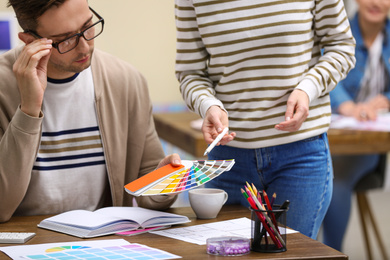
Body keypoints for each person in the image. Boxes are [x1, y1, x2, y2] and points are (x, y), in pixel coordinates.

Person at [174, 0, 356, 239]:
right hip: (228, 160)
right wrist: (208, 104)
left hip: (300, 158)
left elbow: (342, 47)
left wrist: (308, 89)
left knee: (292, 255)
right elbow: (190, 73)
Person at [0, 0, 181, 223]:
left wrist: (165, 181)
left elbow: (149, 189)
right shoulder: (3, 88)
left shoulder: (126, 80)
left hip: (106, 243)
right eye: (65, 40)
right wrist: (28, 109)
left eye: (87, 27)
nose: (84, 47)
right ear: (30, 41)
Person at [322, 0, 390, 251]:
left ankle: (330, 252)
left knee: (335, 179)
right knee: (317, 175)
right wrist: (348, 106)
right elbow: (325, 73)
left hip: (366, 145)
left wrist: (386, 101)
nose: (375, 2)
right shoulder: (338, 32)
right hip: (329, 136)